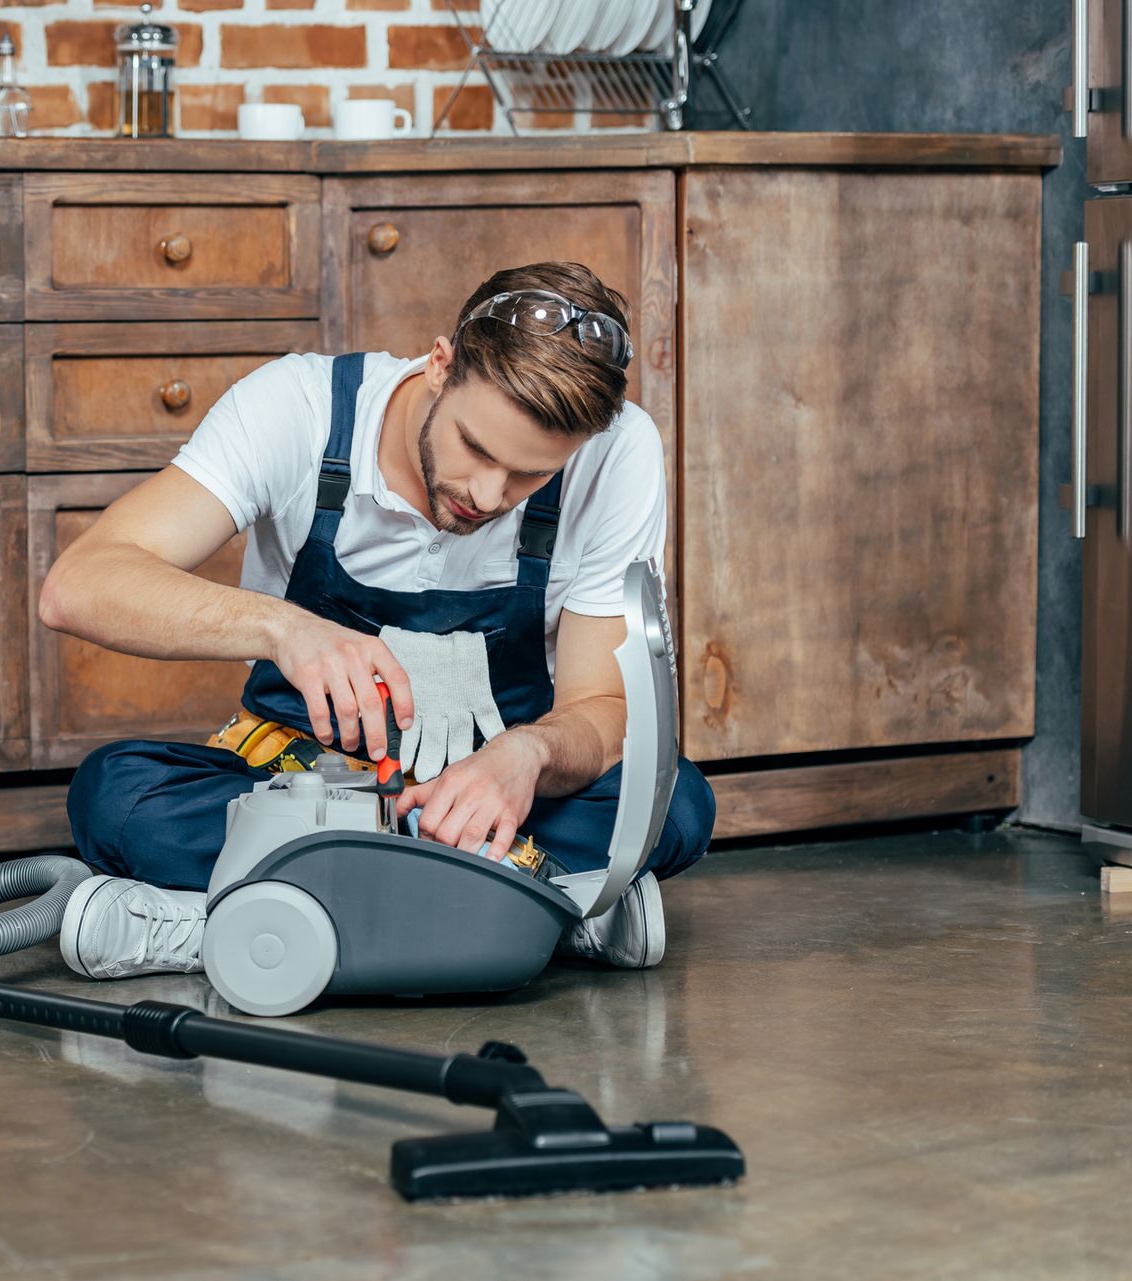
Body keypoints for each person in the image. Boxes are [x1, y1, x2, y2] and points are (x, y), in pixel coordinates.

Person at [37, 261, 715, 982]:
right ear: (439, 365)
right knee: (116, 795)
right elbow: (79, 584)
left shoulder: (618, 451)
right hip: (301, 794)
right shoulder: (299, 408)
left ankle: (227, 925)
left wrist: (529, 756)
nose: (488, 493)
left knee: (674, 803)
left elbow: (601, 707)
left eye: (530, 477)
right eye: (477, 449)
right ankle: (547, 907)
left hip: (496, 805)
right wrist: (285, 629)